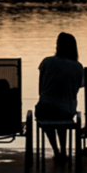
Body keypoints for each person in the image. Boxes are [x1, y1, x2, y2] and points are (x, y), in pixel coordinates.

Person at [36, 32, 84, 162]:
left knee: (48, 111)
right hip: (66, 111)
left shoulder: (47, 62)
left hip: (44, 109)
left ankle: (56, 150)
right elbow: (78, 87)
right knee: (62, 110)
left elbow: (41, 89)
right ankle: (63, 150)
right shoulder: (78, 67)